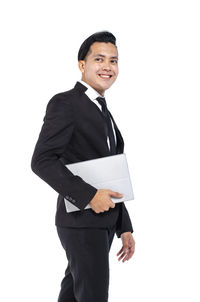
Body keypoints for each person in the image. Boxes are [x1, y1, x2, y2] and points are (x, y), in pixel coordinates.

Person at [31, 31, 135, 302]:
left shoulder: (104, 111)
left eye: (113, 61)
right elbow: (42, 160)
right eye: (99, 59)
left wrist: (124, 226)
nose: (107, 67)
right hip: (81, 221)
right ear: (82, 65)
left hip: (102, 222)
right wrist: (89, 196)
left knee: (74, 295)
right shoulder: (66, 103)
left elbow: (112, 172)